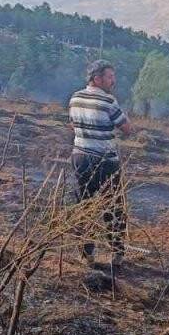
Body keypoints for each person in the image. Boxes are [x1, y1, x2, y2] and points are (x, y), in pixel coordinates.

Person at [69, 60, 134, 268]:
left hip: (80, 157)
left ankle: (86, 254)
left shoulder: (75, 98)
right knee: (113, 205)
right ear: (97, 79)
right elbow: (127, 128)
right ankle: (117, 252)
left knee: (84, 204)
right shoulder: (108, 101)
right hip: (105, 161)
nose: (113, 81)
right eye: (109, 77)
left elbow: (73, 125)